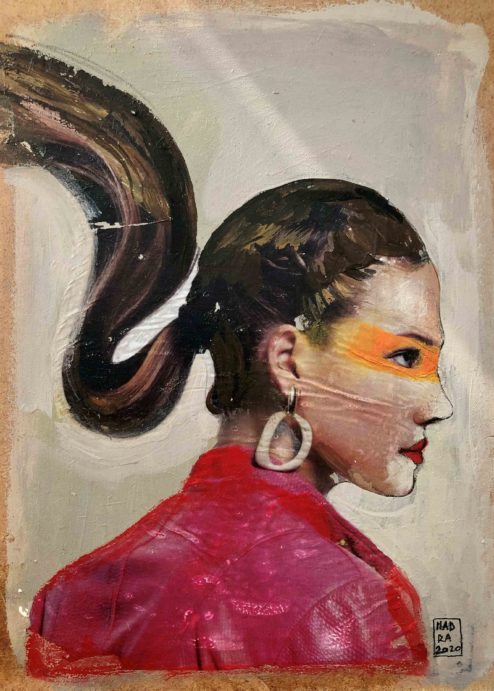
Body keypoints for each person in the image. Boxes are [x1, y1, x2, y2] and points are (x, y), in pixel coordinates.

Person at [1, 44, 452, 679]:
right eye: (406, 356)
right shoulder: (352, 609)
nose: (439, 404)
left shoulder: (68, 597)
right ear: (288, 361)